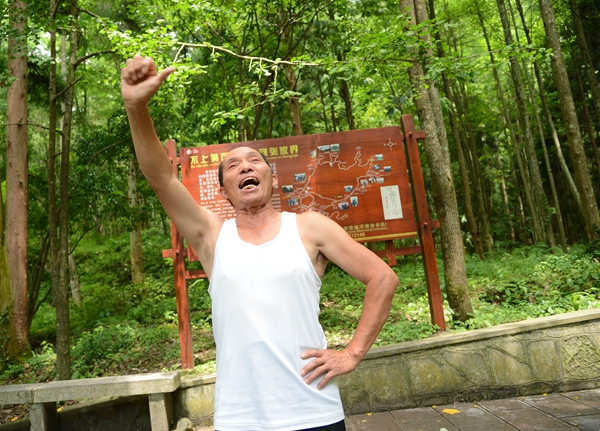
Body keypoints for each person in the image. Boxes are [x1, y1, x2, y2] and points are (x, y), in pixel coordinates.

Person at [121, 56, 399, 431]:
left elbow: (382, 277)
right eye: (234, 165)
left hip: (314, 410)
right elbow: (161, 178)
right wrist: (136, 107)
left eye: (254, 160)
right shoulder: (211, 236)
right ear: (224, 190)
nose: (246, 166)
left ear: (272, 177)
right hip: (241, 417)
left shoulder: (309, 228)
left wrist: (352, 353)